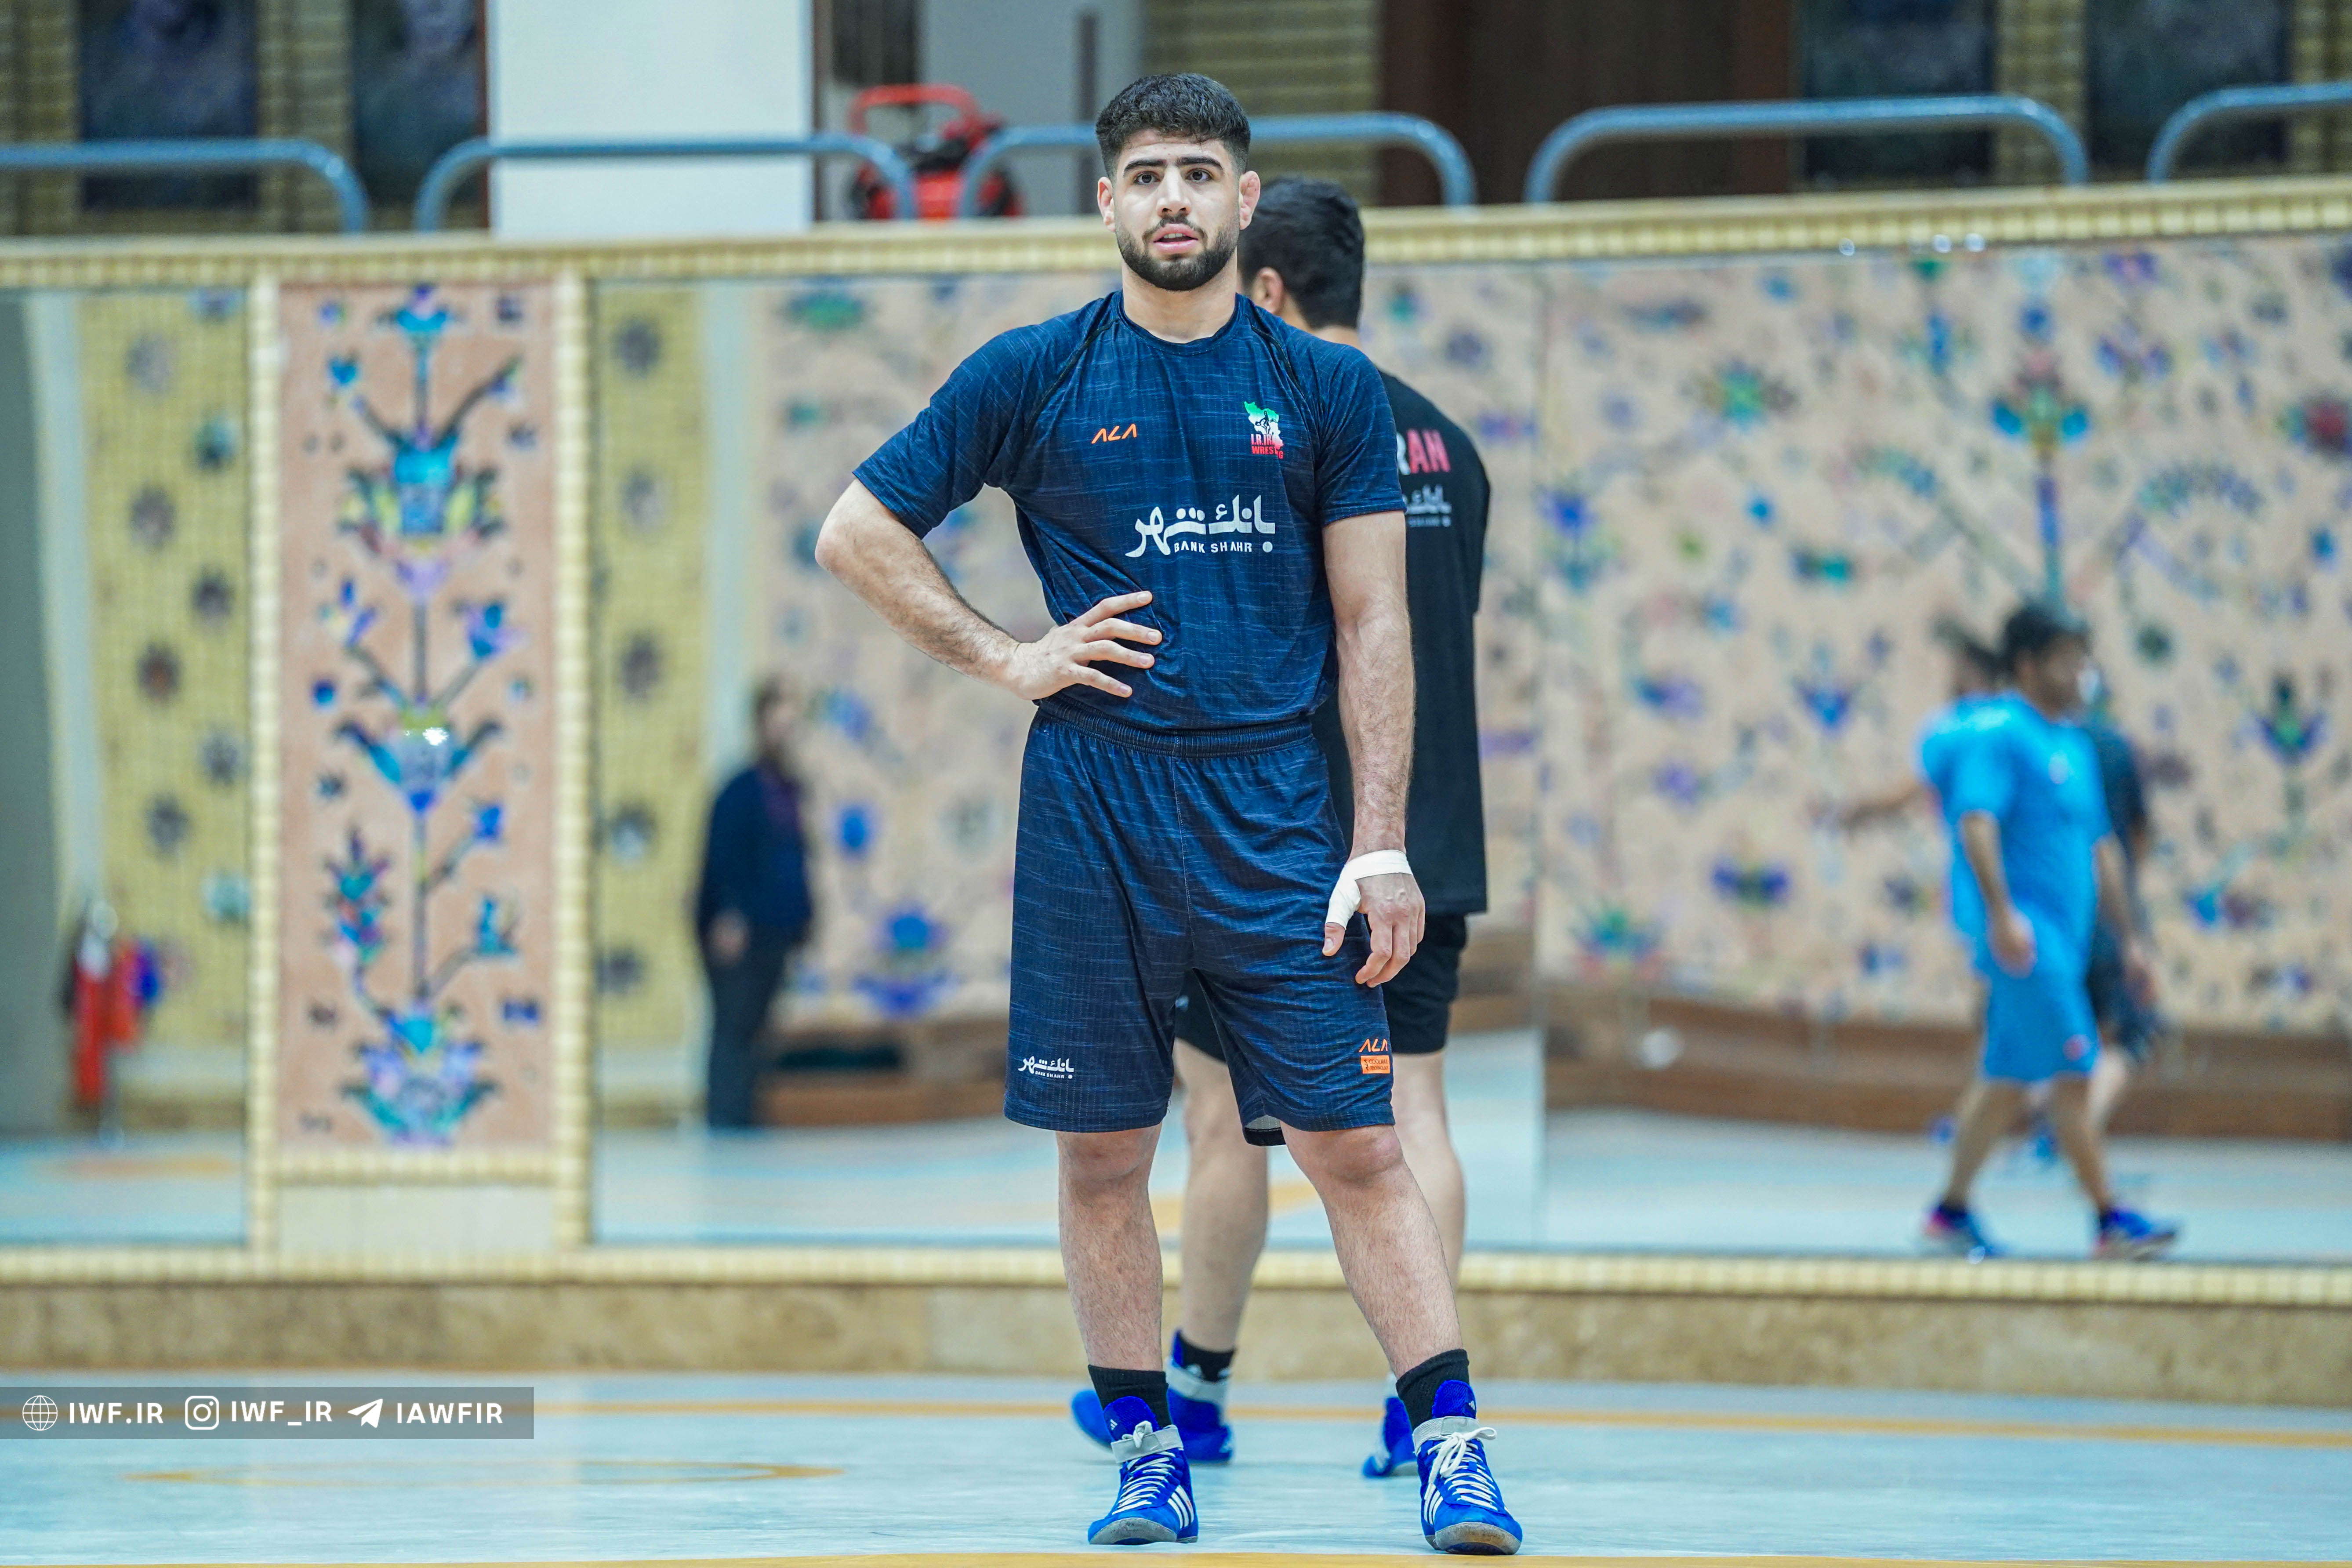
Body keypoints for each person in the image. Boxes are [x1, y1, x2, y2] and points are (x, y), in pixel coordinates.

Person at [815, 73, 1521, 1555]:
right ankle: (1149, 1454)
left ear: (1243, 199)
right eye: (1146, 175)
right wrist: (1007, 655)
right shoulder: (1033, 373)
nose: (1174, 199)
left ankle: (1454, 1451)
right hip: (1093, 809)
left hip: (1275, 811)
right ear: (1108, 202)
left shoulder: (1327, 391)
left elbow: (1375, 623)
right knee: (1100, 1154)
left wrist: (1380, 842)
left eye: (1199, 173)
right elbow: (856, 530)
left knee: (1358, 1146)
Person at [1059, 175, 1493, 1483]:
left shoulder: (1282, 430)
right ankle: (1419, 1406)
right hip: (1425, 832)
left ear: (1266, 287)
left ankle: (1194, 1390)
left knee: (1221, 1119)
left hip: (1276, 834)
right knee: (1413, 1107)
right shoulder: (1450, 447)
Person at [1920, 602, 2178, 1262]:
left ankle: (1949, 1212)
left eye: (2084, 658)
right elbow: (1976, 822)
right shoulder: (2001, 734)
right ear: (2029, 665)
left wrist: (2132, 940)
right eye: (2068, 659)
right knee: (2075, 1074)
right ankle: (2109, 1218)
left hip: (2068, 940)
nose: (2081, 672)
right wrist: (2002, 914)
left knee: (2006, 1079)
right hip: (2029, 944)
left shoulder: (2075, 745)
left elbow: (2103, 849)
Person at [693, 678, 814, 1129]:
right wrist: (729, 916)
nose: (786, 734)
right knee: (734, 1025)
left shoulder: (788, 789)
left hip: (774, 930)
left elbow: (794, 860)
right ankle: (726, 1118)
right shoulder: (740, 790)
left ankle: (744, 1114)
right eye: (779, 724)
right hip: (740, 933)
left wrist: (804, 919)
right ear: (761, 724)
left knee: (759, 1027)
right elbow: (723, 859)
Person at [2079, 671, 2160, 1132]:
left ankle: (2059, 1127)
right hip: (2110, 914)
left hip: (2055, 915)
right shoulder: (2115, 748)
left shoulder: (2041, 745)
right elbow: (2138, 833)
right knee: (2132, 1038)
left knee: (2059, 1035)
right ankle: (2077, 1128)